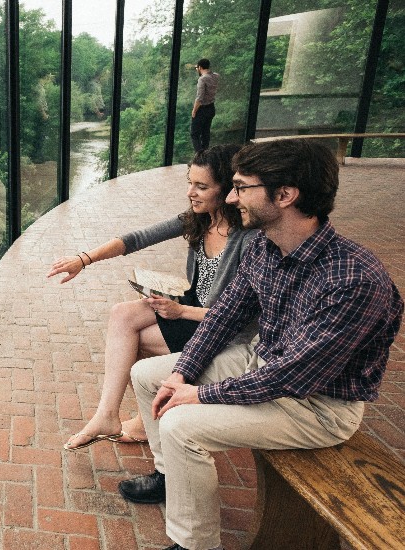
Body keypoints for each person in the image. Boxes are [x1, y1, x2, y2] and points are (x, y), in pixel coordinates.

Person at [119, 139, 403, 550]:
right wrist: (182, 372)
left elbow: (293, 376)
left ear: (285, 195)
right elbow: (225, 316)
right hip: (261, 366)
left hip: (317, 406)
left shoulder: (354, 281)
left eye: (241, 187)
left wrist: (199, 394)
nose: (232, 198)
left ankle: (194, 544)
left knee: (181, 424)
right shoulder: (267, 247)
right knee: (148, 375)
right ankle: (170, 477)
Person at [47, 144, 256, 450]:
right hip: (191, 307)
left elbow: (240, 316)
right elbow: (137, 238)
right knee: (122, 314)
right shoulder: (199, 219)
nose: (191, 193)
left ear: (227, 190)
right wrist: (83, 259)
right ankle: (108, 415)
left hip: (219, 328)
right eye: (190, 183)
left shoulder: (248, 239)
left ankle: (150, 417)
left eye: (201, 186)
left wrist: (179, 311)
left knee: (135, 341)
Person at [191, 59, 218, 153]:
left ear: (200, 67)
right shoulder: (215, 76)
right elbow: (213, 73)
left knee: (194, 134)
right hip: (211, 108)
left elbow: (199, 98)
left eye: (197, 68)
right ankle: (206, 156)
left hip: (202, 109)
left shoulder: (202, 79)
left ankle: (199, 157)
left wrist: (194, 111)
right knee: (205, 133)